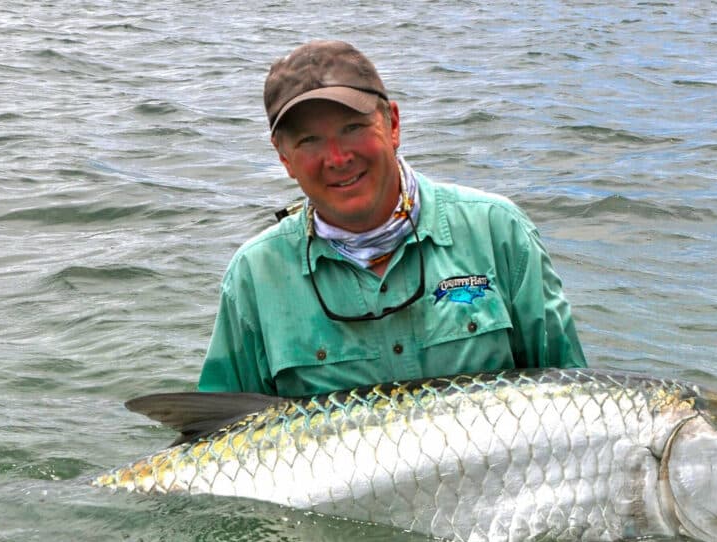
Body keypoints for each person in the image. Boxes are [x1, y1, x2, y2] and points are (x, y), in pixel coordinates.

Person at [198, 40, 586, 396]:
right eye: (309, 141)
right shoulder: (254, 276)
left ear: (393, 124)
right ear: (284, 158)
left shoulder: (499, 231)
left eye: (353, 128)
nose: (337, 158)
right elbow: (215, 432)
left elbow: (570, 399)